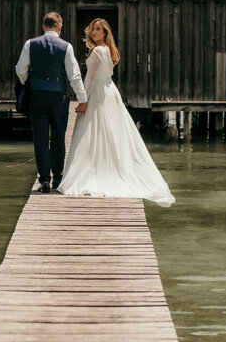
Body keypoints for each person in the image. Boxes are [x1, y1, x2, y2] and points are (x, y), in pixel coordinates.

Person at [58, 18, 175, 207]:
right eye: (93, 29)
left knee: (91, 131)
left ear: (105, 33)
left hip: (98, 93)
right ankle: (106, 167)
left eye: (98, 29)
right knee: (109, 132)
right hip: (109, 92)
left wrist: (83, 101)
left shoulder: (97, 51)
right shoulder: (109, 50)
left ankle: (94, 170)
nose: (94, 32)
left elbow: (90, 78)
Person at [16, 11, 88, 193]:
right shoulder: (66, 47)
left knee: (40, 138)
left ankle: (45, 180)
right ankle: (58, 178)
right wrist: (82, 99)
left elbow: (20, 69)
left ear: (43, 26)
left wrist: (27, 82)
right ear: (60, 26)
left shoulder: (30, 44)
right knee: (58, 137)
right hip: (58, 97)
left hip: (37, 95)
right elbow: (74, 76)